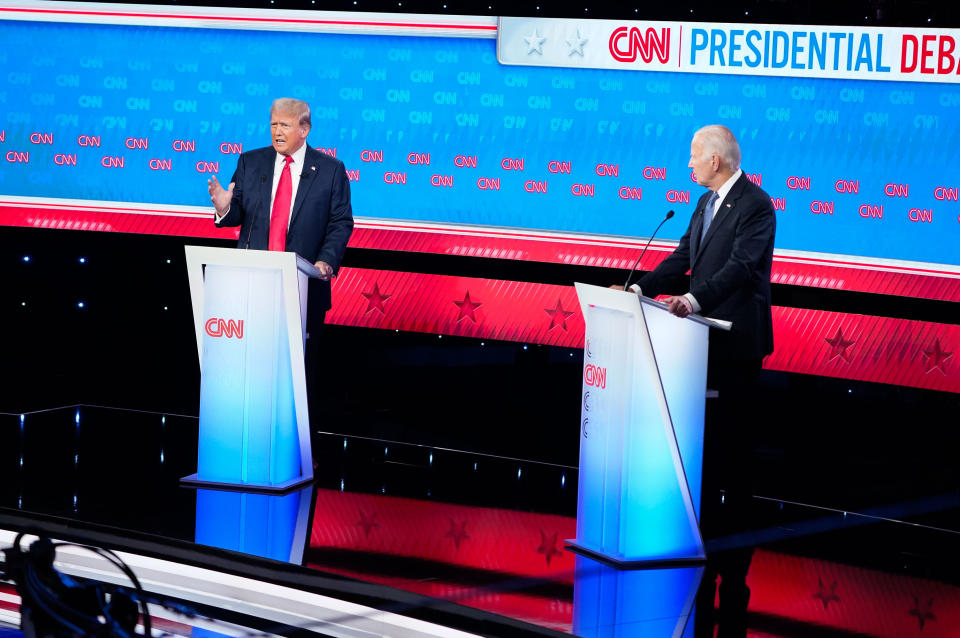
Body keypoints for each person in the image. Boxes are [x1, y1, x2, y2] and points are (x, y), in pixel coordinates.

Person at [615, 125, 776, 637]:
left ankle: (736, 558)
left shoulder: (756, 205)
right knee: (704, 450)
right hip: (699, 345)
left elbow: (742, 267)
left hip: (737, 345)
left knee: (736, 454)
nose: (687, 166)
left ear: (715, 159)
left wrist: (693, 301)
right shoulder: (704, 204)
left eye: (692, 158)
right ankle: (698, 533)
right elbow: (685, 257)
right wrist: (641, 284)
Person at [207, 97, 353, 417]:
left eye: (284, 125)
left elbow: (340, 222)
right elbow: (238, 214)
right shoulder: (251, 162)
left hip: (303, 287)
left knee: (299, 374)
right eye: (273, 124)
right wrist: (224, 208)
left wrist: (326, 262)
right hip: (251, 287)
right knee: (249, 368)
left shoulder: (330, 170)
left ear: (304, 129)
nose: (276, 132)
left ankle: (299, 450)